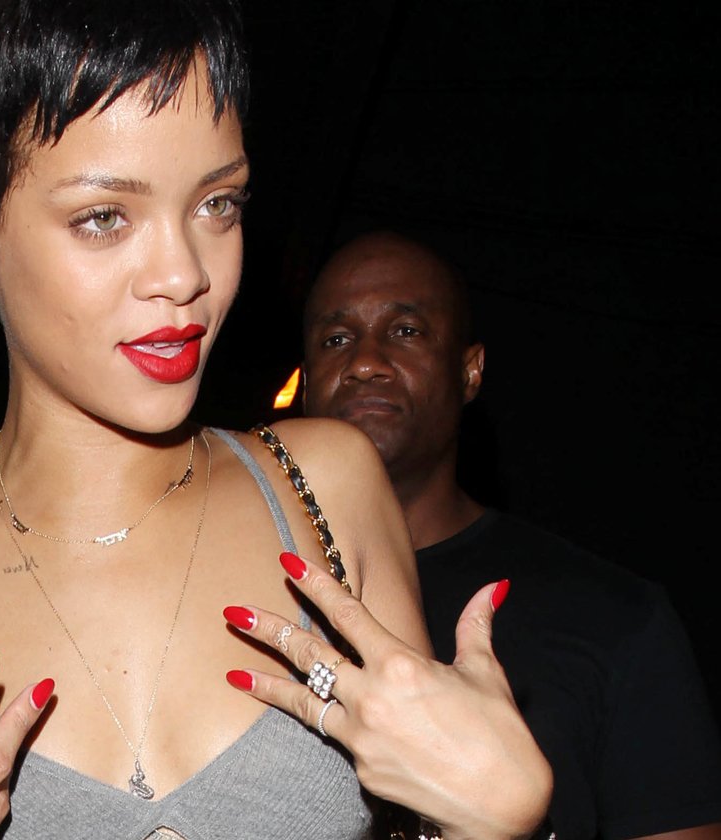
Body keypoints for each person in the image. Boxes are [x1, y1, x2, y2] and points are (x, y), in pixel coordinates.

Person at [0, 3, 555, 838]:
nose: (183, 273)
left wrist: (497, 823)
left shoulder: (328, 486)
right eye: (104, 217)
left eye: (217, 204)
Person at [299, 229, 721, 840]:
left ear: (469, 371)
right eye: (336, 339)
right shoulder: (235, 584)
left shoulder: (614, 616)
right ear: (305, 381)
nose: (364, 362)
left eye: (405, 331)